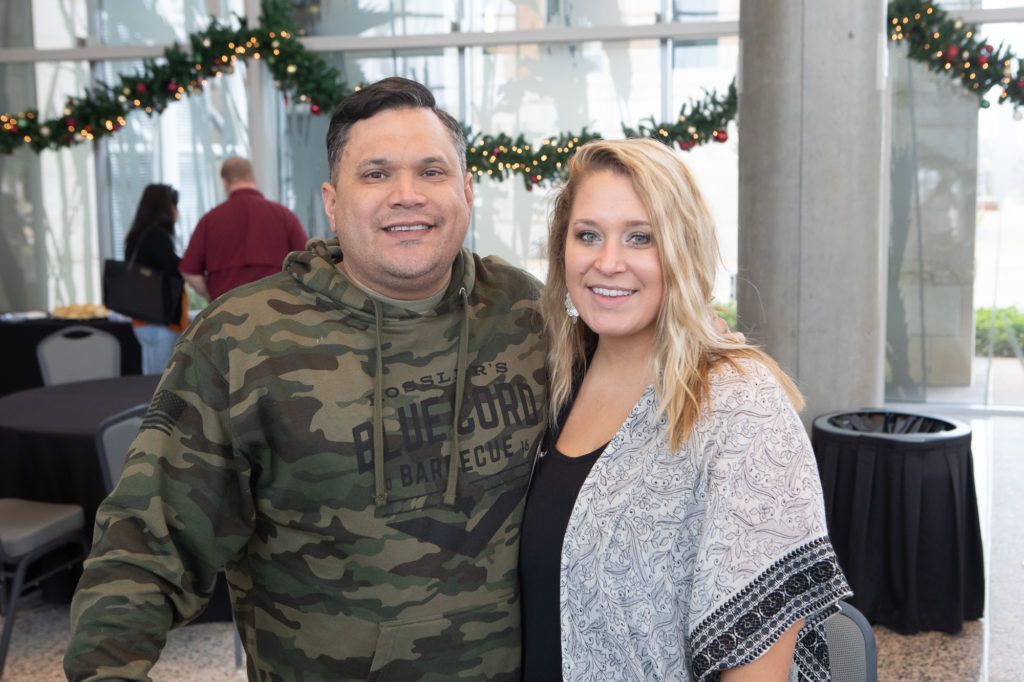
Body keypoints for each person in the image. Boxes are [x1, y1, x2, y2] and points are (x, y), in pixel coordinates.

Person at [64, 78, 548, 680]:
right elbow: (144, 546)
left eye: (432, 171)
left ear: (467, 191)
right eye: (375, 174)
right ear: (332, 201)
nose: (407, 195)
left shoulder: (525, 313)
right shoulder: (242, 339)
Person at [519, 138, 852, 681]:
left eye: (640, 238)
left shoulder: (739, 406)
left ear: (682, 248)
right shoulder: (553, 376)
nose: (608, 262)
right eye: (588, 235)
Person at [178, 156, 308, 302]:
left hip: (226, 314)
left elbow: (189, 272)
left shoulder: (209, 220)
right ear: (253, 179)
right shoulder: (284, 216)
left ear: (225, 183)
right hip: (275, 311)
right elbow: (307, 263)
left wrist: (214, 298)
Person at [122, 183, 188, 375]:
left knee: (150, 375)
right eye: (174, 206)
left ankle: (151, 406)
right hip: (160, 320)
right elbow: (176, 268)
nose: (177, 211)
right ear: (165, 208)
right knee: (160, 379)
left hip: (143, 319)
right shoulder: (156, 235)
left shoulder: (136, 235)